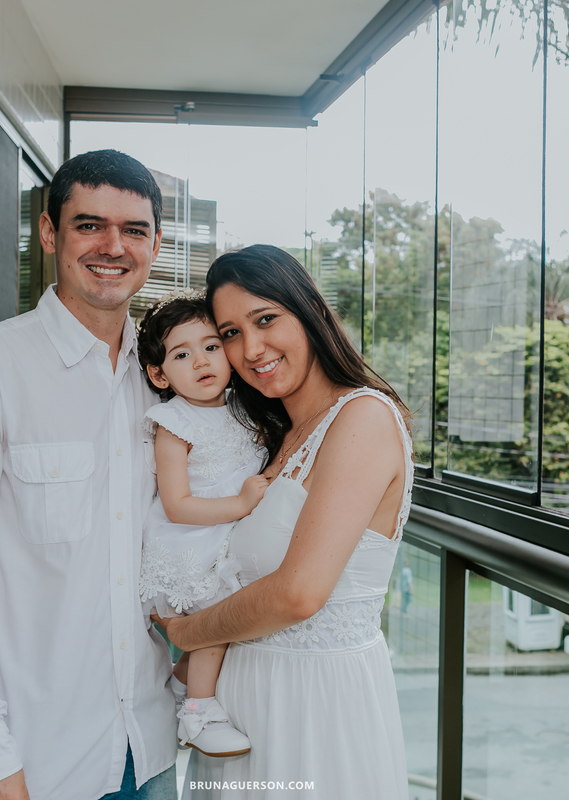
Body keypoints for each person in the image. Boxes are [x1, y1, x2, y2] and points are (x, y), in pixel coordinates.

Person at [0, 149, 178, 800]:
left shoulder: (170, 384)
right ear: (49, 233)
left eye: (134, 230)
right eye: (89, 225)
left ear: (156, 244)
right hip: (25, 764)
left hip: (150, 752)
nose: (113, 246)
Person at [156, 244, 413, 799]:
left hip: (315, 710)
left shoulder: (362, 418)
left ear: (313, 311)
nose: (251, 348)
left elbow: (299, 593)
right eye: (229, 333)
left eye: (266, 319)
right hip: (242, 710)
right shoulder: (272, 440)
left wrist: (183, 634)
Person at [134, 289, 269, 758]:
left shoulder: (241, 406)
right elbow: (177, 505)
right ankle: (199, 712)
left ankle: (178, 688)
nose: (202, 361)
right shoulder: (174, 423)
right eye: (182, 354)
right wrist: (241, 503)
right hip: (189, 541)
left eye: (211, 346)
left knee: (218, 633)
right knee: (215, 625)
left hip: (222, 535)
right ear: (159, 373)